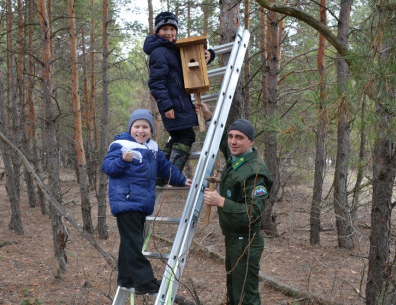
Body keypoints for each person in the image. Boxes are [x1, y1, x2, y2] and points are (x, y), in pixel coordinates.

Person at [101, 109, 192, 295]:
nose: (140, 131)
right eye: (137, 126)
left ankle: (127, 278)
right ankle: (144, 281)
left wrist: (182, 180)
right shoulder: (120, 145)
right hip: (126, 202)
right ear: (130, 128)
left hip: (142, 204)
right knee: (134, 243)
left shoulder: (153, 148)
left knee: (131, 242)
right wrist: (123, 160)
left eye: (145, 127)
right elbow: (108, 167)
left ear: (151, 130)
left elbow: (166, 168)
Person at [201, 108, 273, 305]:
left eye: (239, 138)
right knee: (233, 290)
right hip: (233, 238)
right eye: (232, 136)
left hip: (246, 242)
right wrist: (210, 118)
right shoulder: (237, 159)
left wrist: (221, 201)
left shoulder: (255, 172)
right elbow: (225, 142)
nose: (233, 141)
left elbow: (254, 214)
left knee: (245, 296)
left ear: (250, 141)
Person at [143, 11, 215, 177]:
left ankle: (159, 175)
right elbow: (156, 82)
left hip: (179, 103)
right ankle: (170, 175)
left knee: (177, 137)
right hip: (173, 105)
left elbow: (191, 60)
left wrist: (209, 55)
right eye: (164, 29)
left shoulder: (173, 49)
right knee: (186, 136)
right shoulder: (159, 52)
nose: (169, 33)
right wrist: (166, 105)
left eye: (172, 28)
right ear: (157, 31)